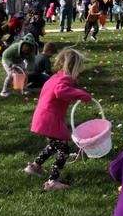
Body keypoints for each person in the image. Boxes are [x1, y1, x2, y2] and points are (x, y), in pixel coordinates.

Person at [23, 48, 92, 190]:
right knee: (64, 150)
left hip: (44, 117)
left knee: (54, 145)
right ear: (73, 67)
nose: (79, 73)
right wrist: (80, 94)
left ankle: (35, 167)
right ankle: (52, 182)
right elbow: (60, 91)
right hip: (50, 119)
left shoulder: (56, 77)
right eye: (79, 70)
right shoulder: (64, 79)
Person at [0, 33, 38, 97]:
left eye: (28, 48)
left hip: (19, 61)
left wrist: (28, 69)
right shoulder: (14, 48)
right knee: (11, 75)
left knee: (25, 75)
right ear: (21, 45)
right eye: (25, 47)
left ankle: (24, 89)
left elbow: (31, 61)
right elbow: (5, 56)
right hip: (8, 60)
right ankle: (4, 91)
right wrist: (11, 64)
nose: (26, 49)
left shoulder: (31, 52)